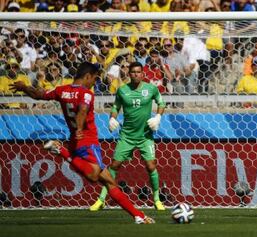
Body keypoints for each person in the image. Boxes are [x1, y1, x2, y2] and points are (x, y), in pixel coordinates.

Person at [10, 62, 154, 224]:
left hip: (75, 140)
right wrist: (79, 128)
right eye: (94, 79)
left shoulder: (61, 90)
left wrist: (24, 87)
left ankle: (138, 216)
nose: (94, 83)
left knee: (109, 182)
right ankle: (61, 150)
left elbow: (38, 94)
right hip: (87, 141)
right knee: (94, 176)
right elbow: (83, 110)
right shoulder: (86, 94)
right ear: (87, 76)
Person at [90, 62, 166, 212]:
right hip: (126, 136)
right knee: (114, 166)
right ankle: (101, 199)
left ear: (143, 74)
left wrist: (158, 117)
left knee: (151, 166)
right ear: (129, 74)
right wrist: (112, 118)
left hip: (145, 135)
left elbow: (161, 103)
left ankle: (156, 200)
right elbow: (115, 107)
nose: (136, 74)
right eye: (133, 72)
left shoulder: (151, 89)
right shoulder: (122, 90)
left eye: (139, 72)